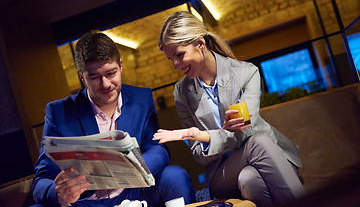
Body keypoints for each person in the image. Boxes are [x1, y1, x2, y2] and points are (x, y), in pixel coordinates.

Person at [153, 11, 306, 207]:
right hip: (223, 171)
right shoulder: (182, 93)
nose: (175, 65)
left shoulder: (246, 73)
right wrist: (211, 136)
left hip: (269, 157)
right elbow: (199, 155)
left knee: (250, 180)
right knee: (258, 143)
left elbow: (246, 130)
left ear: (200, 44)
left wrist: (204, 136)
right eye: (170, 59)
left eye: (179, 55)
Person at [32, 30, 196, 207]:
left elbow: (158, 149)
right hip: (86, 202)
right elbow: (41, 180)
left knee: (175, 176)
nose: (105, 84)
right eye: (94, 77)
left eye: (111, 73)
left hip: (134, 191)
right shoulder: (58, 112)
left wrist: (137, 166)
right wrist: (59, 194)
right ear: (81, 76)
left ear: (121, 65)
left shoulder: (142, 98)